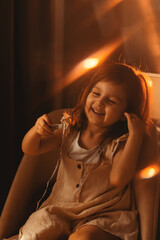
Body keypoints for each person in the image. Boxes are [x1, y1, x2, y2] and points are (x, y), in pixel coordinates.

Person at [10, 63, 153, 240]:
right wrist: (36, 131)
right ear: (87, 93)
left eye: (111, 101)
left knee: (82, 238)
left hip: (102, 213)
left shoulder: (117, 144)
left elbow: (119, 178)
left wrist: (135, 136)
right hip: (61, 209)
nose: (99, 103)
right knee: (33, 234)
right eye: (96, 93)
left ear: (126, 113)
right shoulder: (68, 130)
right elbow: (30, 149)